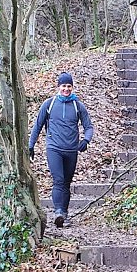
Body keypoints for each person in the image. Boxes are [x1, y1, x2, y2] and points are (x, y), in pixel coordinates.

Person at [28, 72, 94, 228]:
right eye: (63, 86)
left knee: (66, 182)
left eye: (69, 86)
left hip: (71, 150)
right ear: (58, 86)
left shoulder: (78, 106)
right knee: (58, 180)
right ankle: (58, 211)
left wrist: (86, 140)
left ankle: (64, 214)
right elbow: (37, 126)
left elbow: (89, 126)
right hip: (54, 148)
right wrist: (31, 145)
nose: (66, 89)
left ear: (72, 87)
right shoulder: (49, 104)